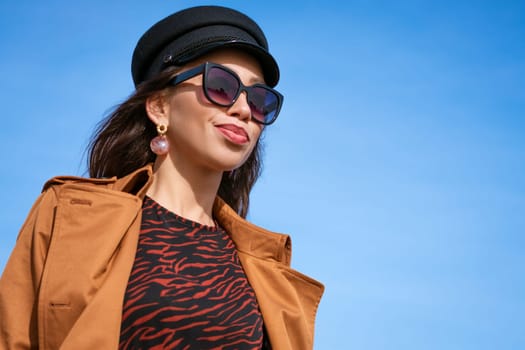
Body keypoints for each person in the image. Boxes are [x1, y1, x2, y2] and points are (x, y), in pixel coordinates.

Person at [0, 5, 324, 350]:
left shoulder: (264, 267)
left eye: (259, 99)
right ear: (159, 106)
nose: (243, 109)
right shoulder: (69, 217)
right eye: (220, 85)